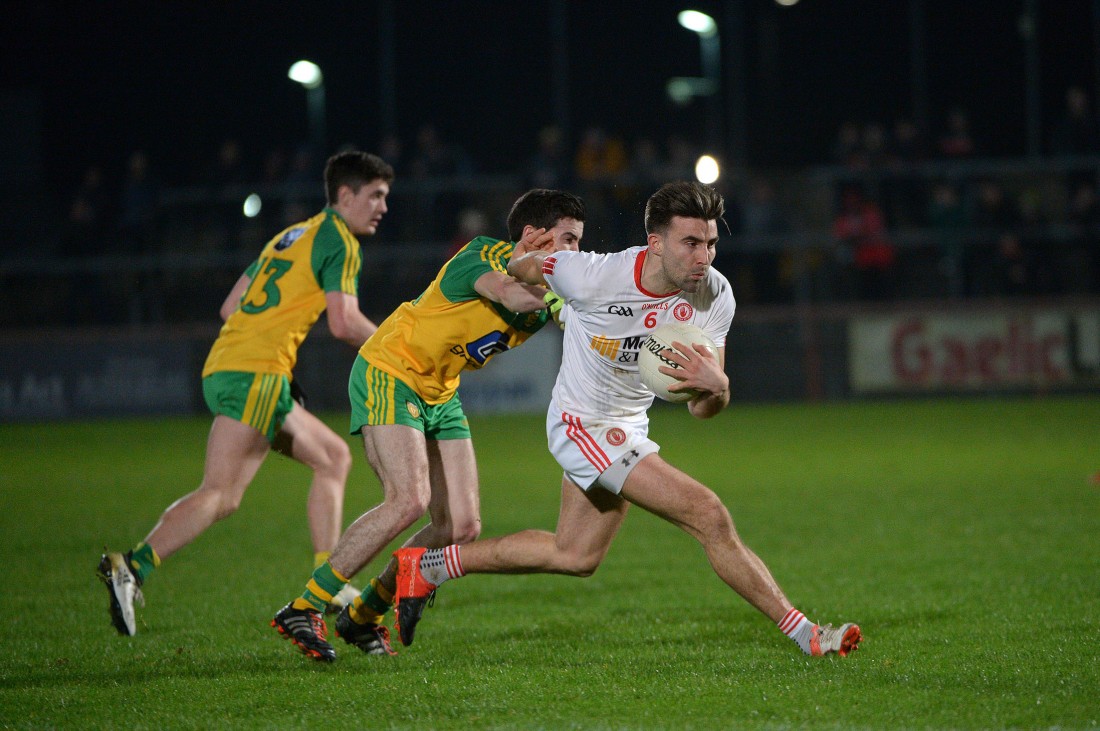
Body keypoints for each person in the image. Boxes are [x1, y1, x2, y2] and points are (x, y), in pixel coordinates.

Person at [391, 181, 862, 659]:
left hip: (628, 427)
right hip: (582, 426)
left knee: (574, 556)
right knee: (707, 513)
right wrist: (520, 258)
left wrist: (715, 385)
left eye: (712, 243)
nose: (705, 257)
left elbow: (704, 409)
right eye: (692, 244)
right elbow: (526, 265)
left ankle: (428, 567)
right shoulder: (594, 275)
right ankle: (807, 635)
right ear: (655, 243)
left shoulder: (715, 295)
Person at [269, 189, 586, 661]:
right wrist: (557, 295)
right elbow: (506, 292)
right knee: (408, 500)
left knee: (460, 525)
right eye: (568, 240)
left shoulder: (548, 296)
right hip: (391, 370)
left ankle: (364, 614)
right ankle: (303, 606)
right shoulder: (480, 254)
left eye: (580, 243)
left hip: (440, 392)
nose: (576, 253)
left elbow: (559, 310)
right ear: (532, 236)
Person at [96, 151, 394, 636]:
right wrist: (397, 349)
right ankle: (132, 566)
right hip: (254, 372)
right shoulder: (339, 240)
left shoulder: (290, 235)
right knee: (220, 493)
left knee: (333, 457)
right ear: (345, 195)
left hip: (234, 366)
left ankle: (330, 576)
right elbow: (343, 322)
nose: (383, 206)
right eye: (376, 195)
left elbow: (230, 304)